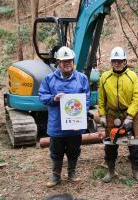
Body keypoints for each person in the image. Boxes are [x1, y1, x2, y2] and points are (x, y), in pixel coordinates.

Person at [39, 46, 90, 187]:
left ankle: (72, 172)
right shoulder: (49, 79)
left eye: (69, 61)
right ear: (58, 63)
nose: (67, 63)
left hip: (74, 124)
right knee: (56, 151)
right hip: (57, 124)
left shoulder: (82, 79)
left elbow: (86, 99)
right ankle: (56, 176)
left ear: (73, 61)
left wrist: (79, 116)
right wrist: (54, 98)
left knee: (74, 150)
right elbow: (42, 97)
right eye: (63, 61)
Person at [98, 46, 138, 183]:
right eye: (115, 61)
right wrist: (101, 115)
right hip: (112, 115)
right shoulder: (105, 77)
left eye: (120, 61)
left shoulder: (132, 76)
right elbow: (101, 99)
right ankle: (111, 171)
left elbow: (137, 97)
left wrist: (130, 116)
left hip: (129, 114)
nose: (117, 63)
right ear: (111, 62)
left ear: (125, 61)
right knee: (110, 145)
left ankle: (136, 170)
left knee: (135, 144)